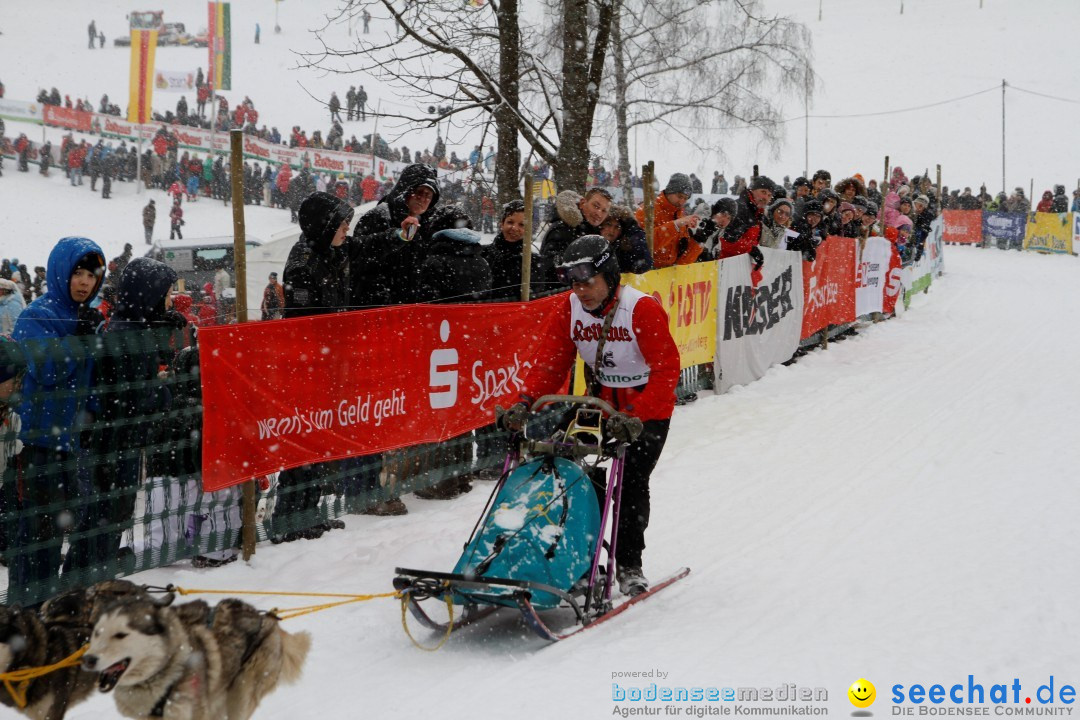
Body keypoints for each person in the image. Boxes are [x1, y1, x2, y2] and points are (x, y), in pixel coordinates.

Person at [504, 235, 680, 597]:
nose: (581, 291)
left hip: (645, 407)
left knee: (630, 484)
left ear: (609, 277)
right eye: (574, 283)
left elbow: (666, 368)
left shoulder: (640, 308)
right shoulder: (570, 308)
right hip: (598, 401)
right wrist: (525, 401)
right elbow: (552, 361)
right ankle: (581, 561)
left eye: (588, 282)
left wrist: (637, 416)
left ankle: (629, 564)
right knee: (575, 476)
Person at [70, 258, 181, 578]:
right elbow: (134, 398)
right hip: (115, 446)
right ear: (148, 295)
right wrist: (164, 392)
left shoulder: (130, 327)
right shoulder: (128, 336)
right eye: (166, 293)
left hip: (117, 444)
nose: (170, 300)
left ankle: (86, 581)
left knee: (106, 518)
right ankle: (88, 584)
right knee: (106, 518)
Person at [9, 238, 105, 604]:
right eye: (78, 273)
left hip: (71, 440)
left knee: (63, 526)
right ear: (61, 272)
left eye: (92, 275)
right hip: (38, 439)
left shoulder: (87, 316)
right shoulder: (37, 314)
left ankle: (47, 604)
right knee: (37, 531)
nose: (84, 282)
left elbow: (92, 374)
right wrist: (80, 339)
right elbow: (46, 369)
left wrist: (94, 411)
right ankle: (24, 610)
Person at [273, 192, 358, 541]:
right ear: (323, 225)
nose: (346, 229)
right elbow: (305, 322)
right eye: (341, 223)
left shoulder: (331, 254)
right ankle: (288, 516)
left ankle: (309, 509)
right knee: (302, 441)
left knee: (319, 438)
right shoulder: (304, 263)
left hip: (328, 361)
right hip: (306, 364)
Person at [539, 188, 612, 288]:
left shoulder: (600, 234)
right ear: (582, 203)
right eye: (596, 206)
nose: (599, 213)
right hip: (561, 296)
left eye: (604, 211)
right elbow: (549, 268)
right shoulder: (563, 229)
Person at [635, 173, 704, 268]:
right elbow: (643, 245)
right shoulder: (647, 210)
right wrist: (675, 225)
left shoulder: (681, 217)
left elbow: (682, 263)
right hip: (646, 275)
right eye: (680, 196)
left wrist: (698, 242)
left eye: (685, 198)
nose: (682, 202)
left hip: (669, 278)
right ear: (669, 191)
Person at [483, 200, 542, 301]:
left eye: (521, 225)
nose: (514, 228)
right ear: (502, 223)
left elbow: (536, 296)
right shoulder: (484, 254)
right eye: (510, 222)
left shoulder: (533, 261)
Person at [599, 205, 653, 274]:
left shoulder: (623, 248)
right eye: (608, 224)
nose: (612, 230)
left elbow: (643, 266)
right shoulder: (589, 240)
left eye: (617, 227)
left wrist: (630, 251)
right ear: (601, 225)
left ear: (621, 231)